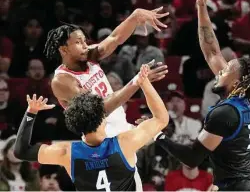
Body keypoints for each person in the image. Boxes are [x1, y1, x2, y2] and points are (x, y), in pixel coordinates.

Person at [153, 0, 250, 191]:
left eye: (227, 69)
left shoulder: (225, 113)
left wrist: (157, 136)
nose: (221, 69)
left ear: (237, 82)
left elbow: (193, 157)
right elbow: (212, 51)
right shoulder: (245, 99)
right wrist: (201, 7)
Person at [14, 64, 169, 191]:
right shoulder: (124, 143)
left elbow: (21, 151)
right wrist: (144, 83)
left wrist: (31, 112)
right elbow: (161, 118)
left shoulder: (67, 153)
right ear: (103, 117)